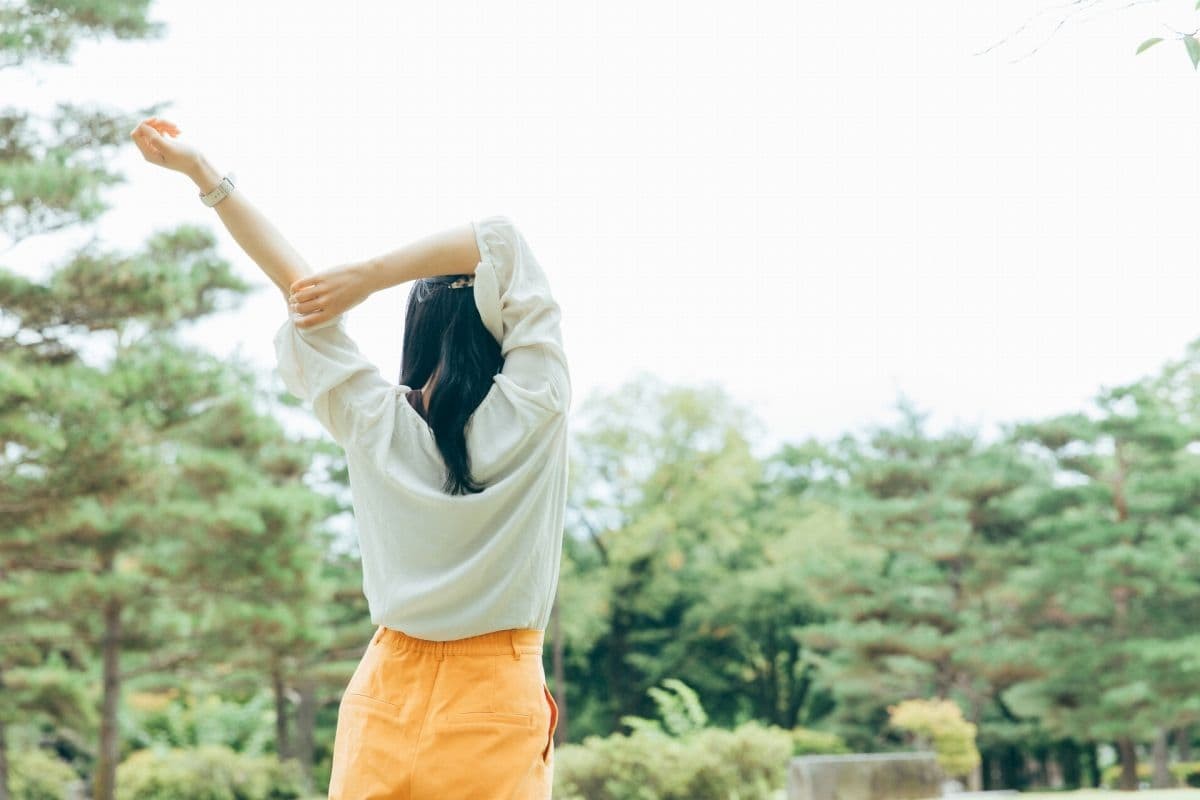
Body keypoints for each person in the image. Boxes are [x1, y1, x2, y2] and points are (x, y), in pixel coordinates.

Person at [131, 117, 569, 799]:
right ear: (496, 331)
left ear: (416, 332)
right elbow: (502, 239)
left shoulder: (373, 420)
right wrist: (371, 275)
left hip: (385, 691)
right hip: (497, 690)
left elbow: (300, 291)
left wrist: (204, 175)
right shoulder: (535, 407)